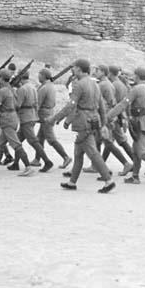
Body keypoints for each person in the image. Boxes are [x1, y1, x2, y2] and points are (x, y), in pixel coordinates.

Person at [48, 58, 116, 193]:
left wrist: (56, 118)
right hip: (93, 119)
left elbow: (71, 105)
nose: (72, 70)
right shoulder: (95, 84)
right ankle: (72, 182)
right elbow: (101, 105)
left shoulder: (79, 84)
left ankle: (108, 180)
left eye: (74, 68)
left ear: (79, 69)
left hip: (83, 121)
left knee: (92, 152)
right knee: (78, 153)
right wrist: (103, 123)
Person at [107, 67, 145, 186]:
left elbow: (122, 104)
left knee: (142, 152)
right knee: (135, 151)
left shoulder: (136, 89)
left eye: (134, 75)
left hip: (140, 123)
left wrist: (109, 116)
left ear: (136, 76)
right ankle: (135, 176)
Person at [0, 69, 32, 176]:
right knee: (0, 144)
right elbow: (17, 105)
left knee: (16, 144)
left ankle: (28, 167)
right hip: (12, 118)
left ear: (0, 78)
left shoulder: (3, 91)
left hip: (7, 120)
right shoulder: (12, 90)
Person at [9, 72, 53, 173]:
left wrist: (13, 95)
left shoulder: (22, 89)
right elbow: (37, 103)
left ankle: (47, 161)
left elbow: (17, 105)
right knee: (18, 141)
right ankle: (16, 163)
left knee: (33, 141)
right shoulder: (33, 87)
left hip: (25, 118)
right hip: (32, 116)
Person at [93, 65, 133, 177]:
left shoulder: (109, 85)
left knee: (108, 142)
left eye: (97, 70)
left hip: (109, 116)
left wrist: (109, 117)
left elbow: (112, 103)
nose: (95, 72)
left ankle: (124, 164)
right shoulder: (119, 84)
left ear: (108, 73)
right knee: (108, 141)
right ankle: (99, 165)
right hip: (115, 115)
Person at [31, 68, 71, 169]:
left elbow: (38, 104)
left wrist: (32, 117)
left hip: (45, 116)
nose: (38, 76)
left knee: (51, 139)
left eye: (39, 74)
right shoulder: (50, 86)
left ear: (44, 76)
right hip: (49, 113)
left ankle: (65, 157)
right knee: (40, 138)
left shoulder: (44, 88)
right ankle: (37, 159)